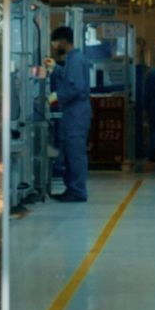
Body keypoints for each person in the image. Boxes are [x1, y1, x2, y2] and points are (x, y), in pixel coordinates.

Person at [47, 25, 92, 203]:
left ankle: (78, 191)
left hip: (76, 113)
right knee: (71, 151)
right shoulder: (74, 59)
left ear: (63, 43)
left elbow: (73, 87)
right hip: (75, 112)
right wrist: (54, 68)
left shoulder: (74, 59)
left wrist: (52, 99)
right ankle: (72, 188)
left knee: (75, 153)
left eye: (55, 44)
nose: (54, 48)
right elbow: (69, 78)